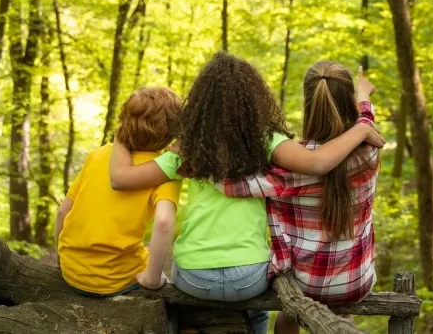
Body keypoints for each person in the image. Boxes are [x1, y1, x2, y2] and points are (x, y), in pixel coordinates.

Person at [109, 52, 384, 334]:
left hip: (211, 277)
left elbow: (121, 179)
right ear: (256, 101)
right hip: (293, 280)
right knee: (276, 313)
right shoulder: (356, 149)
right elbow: (329, 152)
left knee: (265, 313)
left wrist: (126, 134)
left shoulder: (194, 152)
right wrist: (364, 107)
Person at [215, 61, 380, 334]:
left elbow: (229, 185)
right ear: (348, 103)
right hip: (355, 282)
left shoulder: (290, 164)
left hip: (304, 284)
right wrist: (363, 99)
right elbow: (367, 121)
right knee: (342, 311)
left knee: (287, 317)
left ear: (307, 103)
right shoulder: (369, 151)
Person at [55, 87, 183, 297]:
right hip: (115, 280)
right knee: (165, 282)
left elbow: (63, 212)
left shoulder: (98, 155)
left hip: (71, 270)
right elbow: (163, 223)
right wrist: (152, 279)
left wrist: (62, 262)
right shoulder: (164, 171)